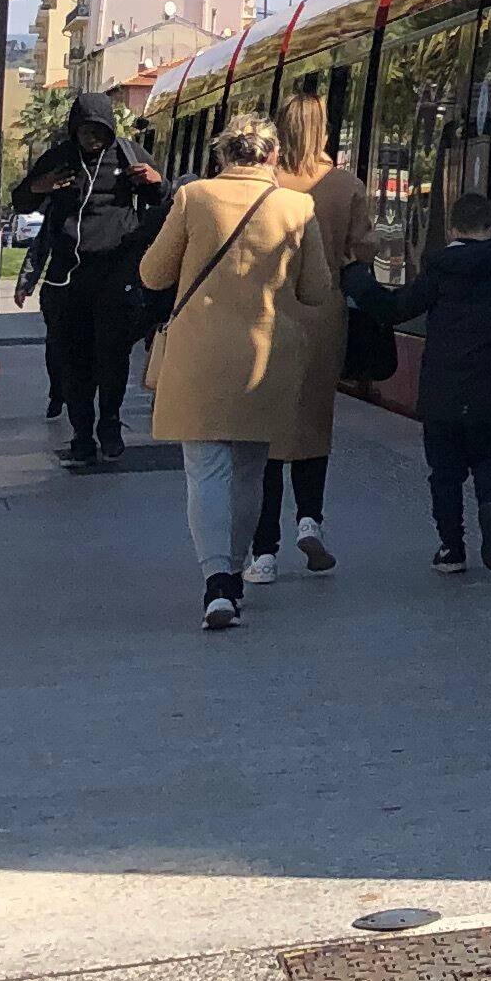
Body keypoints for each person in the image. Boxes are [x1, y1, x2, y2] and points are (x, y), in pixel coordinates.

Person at [135, 116, 339, 631]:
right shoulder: (298, 206)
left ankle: (217, 582)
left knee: (205, 471)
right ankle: (240, 565)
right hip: (265, 358)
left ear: (222, 154)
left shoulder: (194, 198)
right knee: (250, 468)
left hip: (197, 357)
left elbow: (152, 274)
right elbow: (317, 290)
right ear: (272, 156)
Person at [368, 187, 491, 574]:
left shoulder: (439, 271)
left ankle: (451, 548)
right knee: (490, 457)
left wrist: (354, 278)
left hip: (443, 389)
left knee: (445, 472)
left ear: (452, 229)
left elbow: (398, 309)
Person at [10, 90, 166, 468]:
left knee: (112, 357)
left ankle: (109, 425)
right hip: (68, 278)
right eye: (85, 132)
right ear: (74, 130)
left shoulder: (128, 154)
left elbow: (164, 201)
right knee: (74, 359)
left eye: (99, 132)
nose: (92, 140)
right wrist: (40, 187)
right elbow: (20, 200)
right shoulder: (60, 159)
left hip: (116, 273)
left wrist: (155, 180)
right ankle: (82, 434)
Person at [249, 92, 369, 582]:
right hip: (323, 314)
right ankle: (309, 519)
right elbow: (362, 248)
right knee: (313, 422)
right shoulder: (345, 184)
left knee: (266, 431)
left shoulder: (265, 183)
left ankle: (264, 551)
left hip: (268, 311)